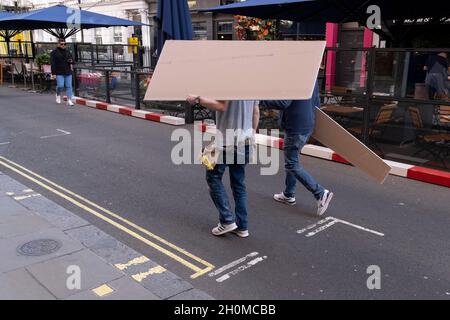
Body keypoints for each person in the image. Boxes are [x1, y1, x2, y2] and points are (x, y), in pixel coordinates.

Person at [186, 95, 259, 238]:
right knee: (238, 183)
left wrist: (197, 99)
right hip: (245, 141)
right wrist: (252, 133)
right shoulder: (252, 85)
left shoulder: (226, 82)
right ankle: (242, 227)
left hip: (226, 142)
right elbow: (256, 111)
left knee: (213, 177)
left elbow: (221, 106)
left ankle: (227, 220)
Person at [259, 82, 333, 216]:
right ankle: (288, 194)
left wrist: (260, 100)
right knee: (293, 160)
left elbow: (283, 103)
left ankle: (320, 193)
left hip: (295, 126)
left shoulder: (295, 76)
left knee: (291, 164)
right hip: (305, 124)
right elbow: (316, 102)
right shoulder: (311, 75)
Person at [50, 39, 74, 106]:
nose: (63, 45)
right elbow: (53, 63)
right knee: (60, 85)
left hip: (68, 71)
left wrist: (71, 61)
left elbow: (73, 61)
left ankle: (69, 100)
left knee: (69, 86)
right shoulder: (54, 53)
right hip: (59, 72)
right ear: (58, 44)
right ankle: (57, 95)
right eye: (61, 44)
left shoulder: (68, 52)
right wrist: (53, 73)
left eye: (64, 44)